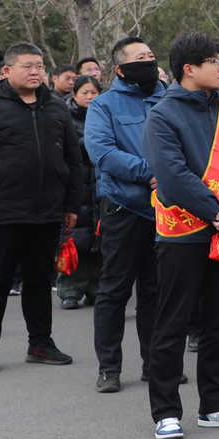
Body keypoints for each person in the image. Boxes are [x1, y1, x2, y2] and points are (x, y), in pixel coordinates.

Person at [143, 32, 219, 439]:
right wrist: (216, 213)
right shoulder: (162, 115)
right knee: (173, 323)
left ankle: (216, 405)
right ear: (189, 69)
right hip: (183, 234)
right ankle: (165, 411)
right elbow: (172, 176)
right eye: (214, 61)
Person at [0, 43, 86, 374]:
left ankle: (40, 343)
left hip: (47, 211)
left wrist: (72, 205)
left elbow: (73, 160)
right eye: (27, 66)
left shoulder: (55, 107)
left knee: (39, 280)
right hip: (1, 212)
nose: (35, 72)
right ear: (7, 71)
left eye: (39, 66)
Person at [84, 37, 167, 393]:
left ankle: (156, 364)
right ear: (120, 69)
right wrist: (149, 172)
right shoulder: (104, 105)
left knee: (156, 291)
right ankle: (109, 367)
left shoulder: (169, 99)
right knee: (114, 291)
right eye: (140, 58)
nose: (148, 62)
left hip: (166, 210)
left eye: (151, 56)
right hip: (124, 206)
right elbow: (102, 152)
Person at [57, 76, 103, 310]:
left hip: (99, 186)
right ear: (74, 95)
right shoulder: (64, 117)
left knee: (98, 241)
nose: (90, 97)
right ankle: (70, 291)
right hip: (75, 186)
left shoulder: (105, 115)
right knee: (74, 241)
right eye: (85, 92)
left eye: (94, 92)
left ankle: (96, 288)